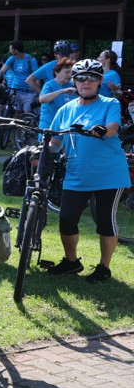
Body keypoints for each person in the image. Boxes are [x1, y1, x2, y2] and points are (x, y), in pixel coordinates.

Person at [45, 58, 128, 283]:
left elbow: (112, 127)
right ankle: (72, 262)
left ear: (100, 81)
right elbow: (55, 142)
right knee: (66, 219)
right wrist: (44, 149)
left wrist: (102, 129)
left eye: (92, 77)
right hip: (76, 174)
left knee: (105, 221)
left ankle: (104, 267)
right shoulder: (65, 109)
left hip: (109, 175)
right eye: (81, 78)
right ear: (74, 81)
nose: (86, 82)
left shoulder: (109, 104)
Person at [0, 39, 37, 114]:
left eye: (10, 49)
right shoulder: (12, 59)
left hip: (28, 92)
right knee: (15, 111)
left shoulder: (31, 60)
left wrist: (38, 92)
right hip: (15, 90)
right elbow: (2, 71)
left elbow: (37, 77)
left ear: (16, 50)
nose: (10, 51)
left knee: (27, 113)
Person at [38, 59, 77, 132]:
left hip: (65, 126)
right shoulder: (49, 85)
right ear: (57, 72)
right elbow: (42, 99)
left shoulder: (72, 85)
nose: (69, 75)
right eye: (67, 72)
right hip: (48, 125)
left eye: (71, 73)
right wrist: (62, 91)